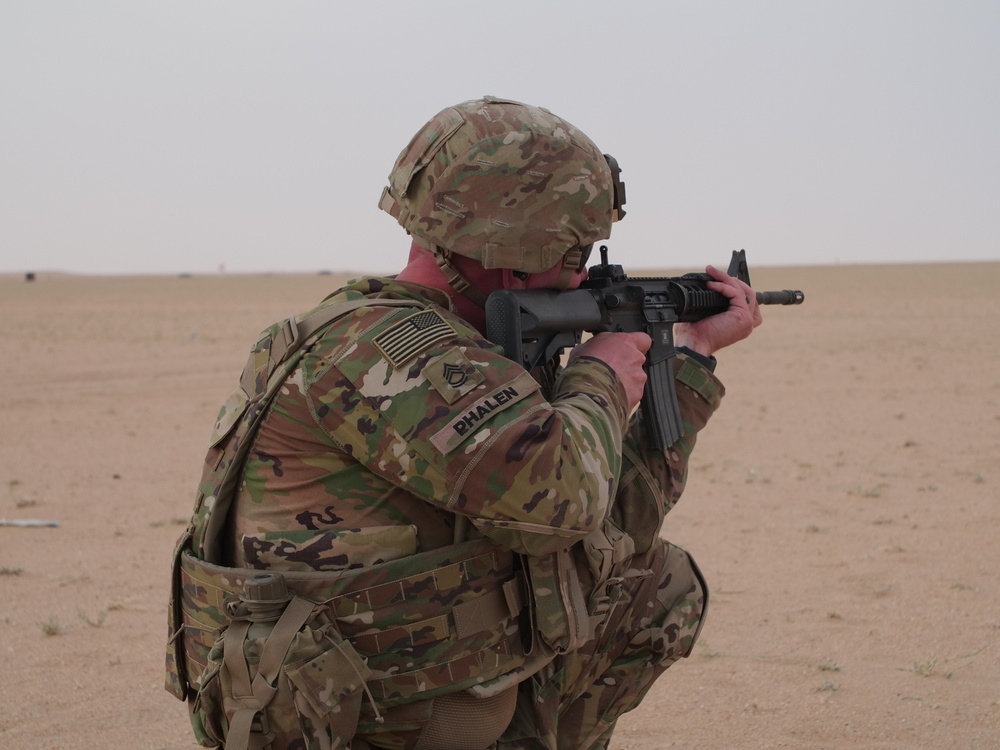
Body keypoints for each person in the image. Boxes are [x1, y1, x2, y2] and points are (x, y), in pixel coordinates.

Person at [165, 96, 762, 750]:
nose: (580, 272)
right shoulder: (395, 354)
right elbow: (562, 506)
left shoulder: (426, 342)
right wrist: (599, 375)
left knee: (650, 587)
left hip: (396, 682)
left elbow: (608, 529)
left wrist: (691, 356)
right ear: (515, 255)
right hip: (341, 719)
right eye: (574, 251)